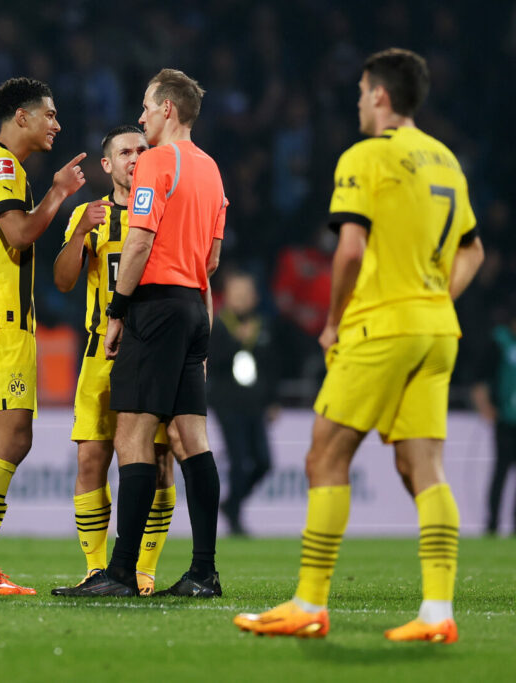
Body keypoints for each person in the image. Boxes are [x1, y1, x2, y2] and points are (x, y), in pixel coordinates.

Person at [233, 48, 483, 644]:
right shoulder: (447, 160)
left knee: (324, 457)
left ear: (379, 95)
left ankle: (309, 604)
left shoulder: (367, 156)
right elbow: (473, 250)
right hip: (436, 328)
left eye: (361, 92)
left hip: (381, 327)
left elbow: (348, 249)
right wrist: (436, 295)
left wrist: (333, 321)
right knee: (424, 467)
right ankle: (436, 612)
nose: (357, 103)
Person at [65, 69, 226, 598]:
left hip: (154, 307)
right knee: (189, 440)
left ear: (168, 111)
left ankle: (120, 573)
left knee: (133, 436)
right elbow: (213, 258)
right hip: (195, 306)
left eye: (146, 108)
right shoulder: (210, 169)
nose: (141, 117)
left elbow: (137, 243)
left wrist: (118, 312)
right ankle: (204, 571)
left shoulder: (158, 162)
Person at [0, 76, 86, 595]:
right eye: (49, 114)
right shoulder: (3, 164)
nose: (57, 123)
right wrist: (57, 193)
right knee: (15, 436)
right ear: (22, 117)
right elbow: (18, 234)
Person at [49, 125, 179, 597]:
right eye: (125, 151)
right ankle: (96, 568)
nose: (135, 157)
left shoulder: (164, 210)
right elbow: (63, 282)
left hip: (153, 352)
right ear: (107, 165)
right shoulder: (90, 214)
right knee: (91, 459)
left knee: (158, 461)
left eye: (143, 150)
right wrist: (79, 233)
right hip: (99, 353)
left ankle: (143, 569)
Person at [209, 270, 278, 536]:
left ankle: (232, 503)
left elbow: (272, 367)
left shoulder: (263, 326)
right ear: (227, 296)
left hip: (256, 404)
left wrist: (273, 401)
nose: (241, 299)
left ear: (255, 297)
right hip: (227, 403)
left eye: (246, 294)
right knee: (238, 461)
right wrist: (236, 341)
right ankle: (235, 518)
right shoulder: (219, 325)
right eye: (237, 294)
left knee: (263, 462)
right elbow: (211, 363)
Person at [471, 305, 516, 535]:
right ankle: (493, 523)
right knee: (501, 471)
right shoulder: (499, 342)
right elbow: (480, 377)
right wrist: (485, 407)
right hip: (505, 420)